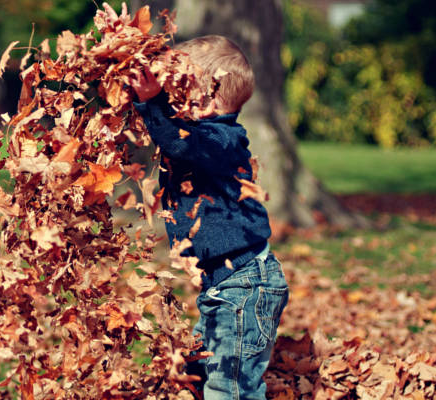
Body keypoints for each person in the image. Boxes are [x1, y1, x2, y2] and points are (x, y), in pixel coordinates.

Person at [130, 35, 289, 399]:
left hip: (245, 288)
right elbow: (170, 135)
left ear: (209, 97)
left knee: (230, 389)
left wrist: (152, 103)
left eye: (181, 87)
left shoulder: (222, 139)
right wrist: (140, 97)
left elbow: (180, 141)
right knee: (197, 372)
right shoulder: (201, 137)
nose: (172, 97)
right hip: (222, 288)